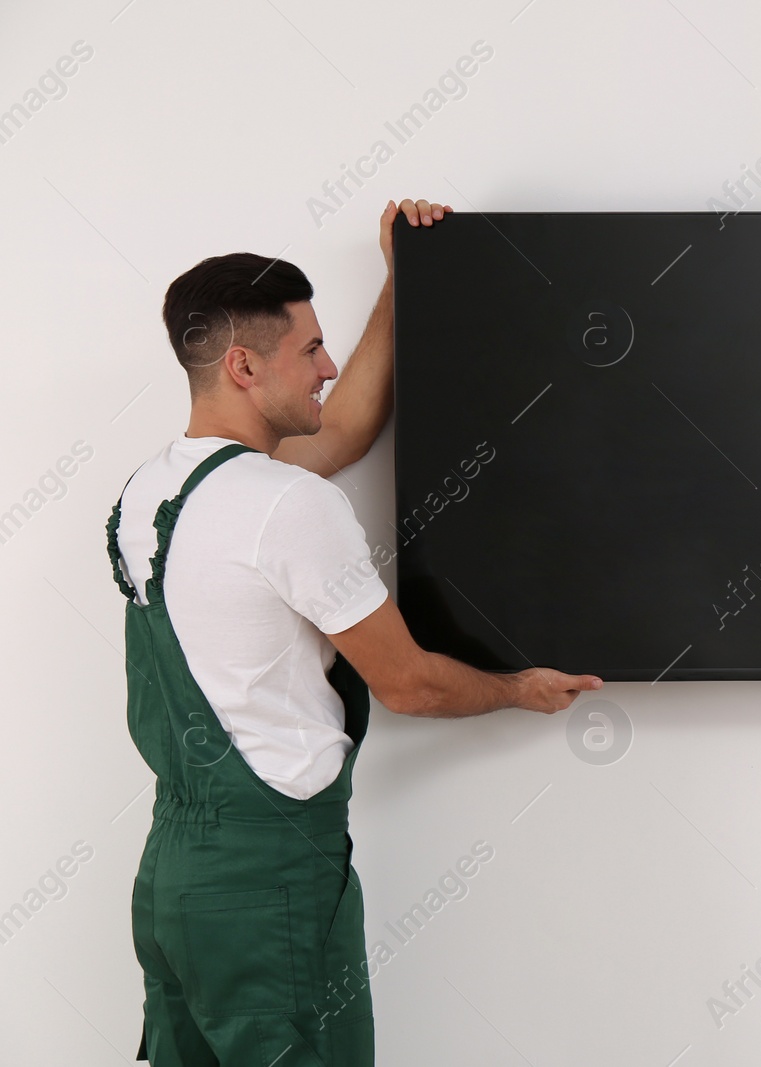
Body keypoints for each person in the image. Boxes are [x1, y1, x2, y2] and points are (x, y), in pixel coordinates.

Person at [106, 197, 603, 1066]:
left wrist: (402, 275)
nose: (329, 365)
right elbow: (407, 683)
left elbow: (343, 427)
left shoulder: (149, 495)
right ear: (243, 367)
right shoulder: (290, 506)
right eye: (309, 350)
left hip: (174, 882)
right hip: (272, 889)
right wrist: (518, 689)